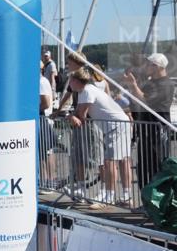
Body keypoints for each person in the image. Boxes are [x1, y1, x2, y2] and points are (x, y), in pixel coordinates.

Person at [70, 66, 133, 206]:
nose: (69, 83)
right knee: (123, 160)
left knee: (110, 161)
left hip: (115, 126)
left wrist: (71, 116)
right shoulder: (85, 91)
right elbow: (80, 113)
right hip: (119, 124)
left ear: (76, 80)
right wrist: (73, 115)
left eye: (70, 80)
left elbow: (81, 115)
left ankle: (109, 197)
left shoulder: (86, 91)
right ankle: (126, 196)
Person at [123, 53, 175, 190]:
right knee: (143, 167)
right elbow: (137, 102)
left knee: (157, 168)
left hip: (158, 131)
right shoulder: (150, 82)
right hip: (145, 130)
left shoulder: (166, 84)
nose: (145, 66)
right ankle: (146, 202)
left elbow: (146, 101)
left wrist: (133, 85)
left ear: (156, 67)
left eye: (148, 64)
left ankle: (158, 204)